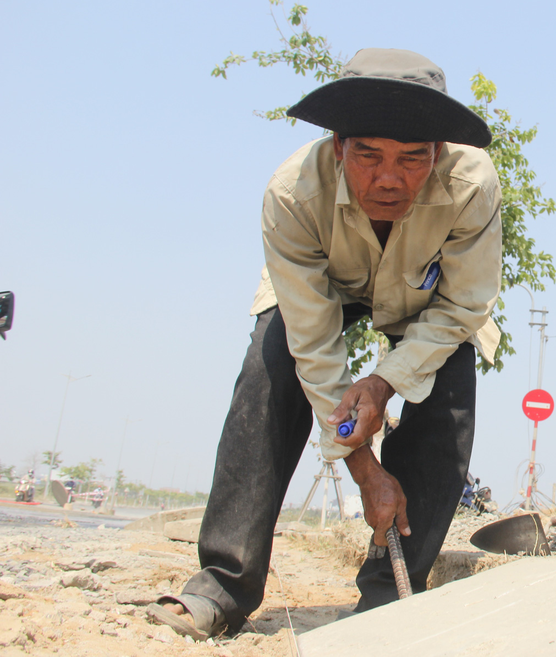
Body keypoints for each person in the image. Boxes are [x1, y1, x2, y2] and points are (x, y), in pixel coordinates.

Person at [149, 49, 503, 639]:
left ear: (438, 154)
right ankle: (222, 586)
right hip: (323, 294)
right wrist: (364, 469)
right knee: (273, 356)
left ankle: (389, 596)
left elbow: (464, 305)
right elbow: (312, 345)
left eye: (412, 159)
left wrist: (383, 381)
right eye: (368, 156)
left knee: (450, 377)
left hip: (424, 304)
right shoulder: (291, 194)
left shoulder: (472, 185)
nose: (388, 179)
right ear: (338, 146)